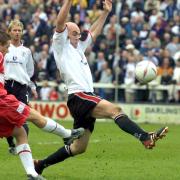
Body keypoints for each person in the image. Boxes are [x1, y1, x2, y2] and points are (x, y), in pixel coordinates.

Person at [34, 0, 168, 175]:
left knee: (78, 147)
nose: (78, 35)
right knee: (115, 110)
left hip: (83, 98)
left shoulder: (79, 48)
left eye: (78, 33)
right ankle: (145, 137)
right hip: (79, 96)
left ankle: (41, 165)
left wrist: (105, 12)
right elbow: (60, 22)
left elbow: (94, 32)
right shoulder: (61, 45)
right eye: (74, 33)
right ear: (66, 34)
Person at [0, 30, 84, 180]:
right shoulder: (1, 56)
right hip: (2, 101)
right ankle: (66, 134)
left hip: (9, 95)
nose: (7, 49)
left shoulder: (11, 54)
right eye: (5, 46)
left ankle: (32, 173)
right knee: (32, 115)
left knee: (20, 133)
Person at [3, 19, 38, 154]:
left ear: (22, 32)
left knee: (23, 116)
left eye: (19, 30)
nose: (17, 33)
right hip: (6, 86)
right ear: (9, 32)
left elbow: (30, 72)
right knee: (6, 117)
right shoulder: (5, 49)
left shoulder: (27, 51)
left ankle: (23, 147)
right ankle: (11, 143)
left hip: (21, 88)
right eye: (14, 30)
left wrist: (33, 88)